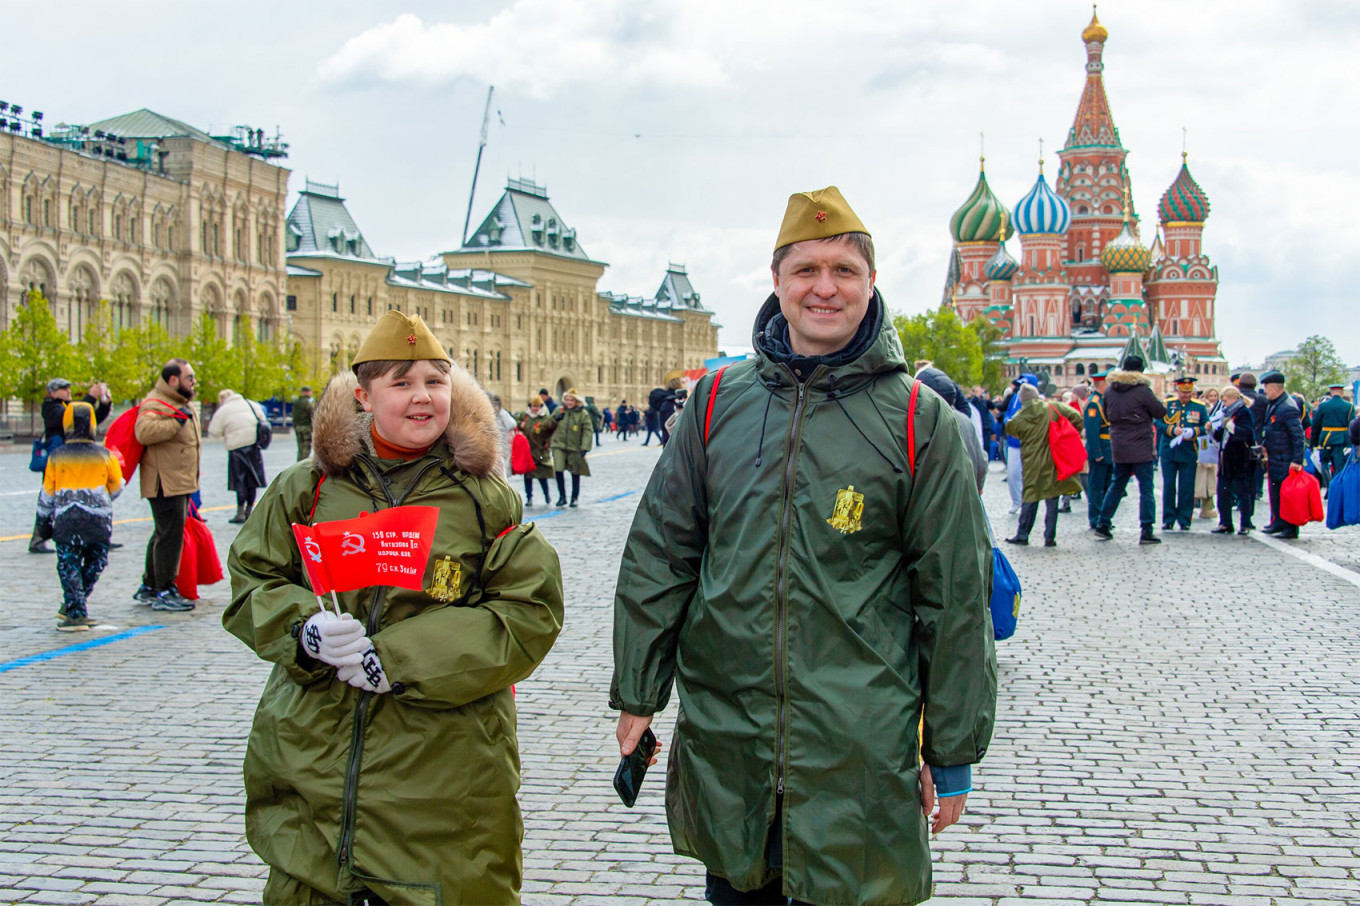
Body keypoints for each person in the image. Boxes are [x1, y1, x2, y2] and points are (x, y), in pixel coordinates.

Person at [611, 186, 996, 906]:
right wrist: (639, 687)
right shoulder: (717, 404)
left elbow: (956, 601)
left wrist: (951, 753)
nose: (826, 288)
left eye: (845, 270)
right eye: (807, 270)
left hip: (858, 747)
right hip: (731, 738)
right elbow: (662, 550)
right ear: (778, 281)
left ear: (871, 283)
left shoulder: (920, 421)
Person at [223, 310, 564, 905]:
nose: (422, 397)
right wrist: (303, 629)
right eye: (401, 383)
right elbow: (254, 577)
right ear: (363, 395)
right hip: (313, 770)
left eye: (435, 381)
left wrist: (399, 659)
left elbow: (527, 612)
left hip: (441, 785)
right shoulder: (308, 489)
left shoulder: (485, 500)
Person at [38, 401, 124, 631]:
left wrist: (43, 523)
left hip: (66, 522)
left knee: (69, 565)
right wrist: (99, 499)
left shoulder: (57, 456)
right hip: (98, 522)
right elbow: (117, 487)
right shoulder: (105, 455)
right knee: (96, 562)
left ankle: (74, 610)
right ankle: (76, 607)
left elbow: (47, 495)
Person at [132, 359, 201, 612]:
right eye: (189, 377)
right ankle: (165, 589)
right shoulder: (156, 402)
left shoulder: (177, 402)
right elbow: (144, 431)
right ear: (173, 380)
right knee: (170, 536)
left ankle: (150, 585)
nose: (193, 382)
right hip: (165, 483)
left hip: (177, 481)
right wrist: (176, 422)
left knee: (164, 532)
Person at [30, 378, 112, 554]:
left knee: (85, 495)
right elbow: (74, 414)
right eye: (62, 388)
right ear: (52, 393)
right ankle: (37, 539)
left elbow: (92, 418)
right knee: (51, 497)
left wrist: (104, 405)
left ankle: (96, 535)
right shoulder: (51, 408)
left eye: (68, 387)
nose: (68, 391)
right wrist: (90, 397)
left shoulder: (68, 406)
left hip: (75, 459)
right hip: (58, 461)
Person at [1094, 355, 1167, 544]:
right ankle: (1147, 529)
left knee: (1117, 484)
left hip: (1118, 443)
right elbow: (1159, 411)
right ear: (1140, 371)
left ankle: (1103, 522)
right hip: (1141, 443)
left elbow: (1106, 413)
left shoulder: (1110, 390)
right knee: (1146, 488)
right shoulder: (1142, 390)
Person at [1005, 384, 1083, 546]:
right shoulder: (1053, 408)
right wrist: (1068, 431)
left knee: (1030, 497)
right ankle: (1049, 537)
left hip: (1031, 462)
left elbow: (1010, 429)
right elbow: (1076, 416)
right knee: (1052, 497)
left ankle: (1022, 534)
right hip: (1053, 458)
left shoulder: (1019, 417)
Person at [207, 389, 269, 525]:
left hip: (236, 448)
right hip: (254, 446)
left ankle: (240, 512)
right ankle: (249, 510)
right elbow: (263, 419)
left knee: (239, 480)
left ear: (222, 399)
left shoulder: (224, 410)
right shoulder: (251, 404)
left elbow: (213, 431)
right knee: (252, 480)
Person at [1257, 370, 1306, 539]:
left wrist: (1297, 460)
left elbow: (1298, 436)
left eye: (1266, 388)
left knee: (1288, 496)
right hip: (1275, 456)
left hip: (1286, 458)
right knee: (1275, 492)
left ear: (1274, 387)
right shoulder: (1275, 404)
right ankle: (1277, 521)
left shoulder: (1288, 407)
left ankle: (1290, 528)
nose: (1265, 391)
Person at [1158, 377, 1209, 531]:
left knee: (1186, 487)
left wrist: (1194, 431)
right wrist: (1171, 430)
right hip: (1169, 450)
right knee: (1169, 486)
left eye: (1189, 392)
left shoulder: (1199, 407)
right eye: (1183, 392)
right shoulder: (1168, 405)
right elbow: (1158, 422)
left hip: (1188, 450)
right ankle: (1168, 518)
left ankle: (1185, 518)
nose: (1186, 395)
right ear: (1177, 391)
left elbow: (1205, 426)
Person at [1210, 385, 1256, 535]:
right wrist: (1210, 430)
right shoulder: (1226, 413)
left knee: (1243, 491)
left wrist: (1231, 426)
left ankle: (1245, 523)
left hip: (1240, 457)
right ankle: (1225, 522)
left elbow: (1247, 434)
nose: (1224, 404)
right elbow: (1218, 437)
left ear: (1235, 398)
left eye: (1226, 400)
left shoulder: (1244, 413)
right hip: (1226, 458)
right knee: (1223, 491)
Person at [550, 388, 593, 506]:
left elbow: (587, 431)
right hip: (558, 445)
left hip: (574, 447)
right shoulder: (559, 411)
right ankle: (562, 497)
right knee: (558, 470)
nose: (569, 402)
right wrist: (555, 419)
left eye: (571, 400)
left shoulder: (582, 414)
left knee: (575, 472)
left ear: (576, 402)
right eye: (567, 400)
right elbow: (548, 425)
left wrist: (584, 447)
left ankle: (574, 498)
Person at [1083, 371, 1113, 529]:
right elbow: (1092, 430)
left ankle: (1104, 518)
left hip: (1110, 450)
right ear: (1102, 385)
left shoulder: (1103, 400)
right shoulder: (1094, 403)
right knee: (1096, 487)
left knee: (1107, 486)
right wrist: (1097, 453)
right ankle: (1095, 518)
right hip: (1100, 449)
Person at [518, 395, 557, 505]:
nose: (535, 408)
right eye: (533, 406)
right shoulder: (525, 416)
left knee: (542, 476)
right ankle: (529, 497)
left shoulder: (544, 417)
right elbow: (516, 423)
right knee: (528, 477)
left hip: (540, 451)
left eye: (537, 406)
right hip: (528, 451)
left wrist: (548, 442)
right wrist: (520, 424)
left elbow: (551, 430)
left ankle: (546, 495)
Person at [1311, 383, 1354, 479]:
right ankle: (1336, 486)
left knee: (1324, 463)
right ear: (1342, 392)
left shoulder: (1323, 406)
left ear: (1331, 392)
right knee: (1339, 466)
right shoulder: (1349, 406)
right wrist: (1349, 444)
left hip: (1326, 439)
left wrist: (1313, 444)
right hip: (1341, 440)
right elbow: (1351, 426)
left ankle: (1329, 484)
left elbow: (1316, 426)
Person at [1196, 387, 1221, 520]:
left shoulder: (1218, 412)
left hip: (1209, 451)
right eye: (1210, 395)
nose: (1212, 398)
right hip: (1198, 450)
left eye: (1215, 395)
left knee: (1209, 481)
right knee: (1197, 481)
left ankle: (1207, 507)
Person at [490, 394, 517, 477]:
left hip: (503, 446)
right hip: (492, 446)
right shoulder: (489, 414)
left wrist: (502, 415)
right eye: (493, 405)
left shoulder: (503, 414)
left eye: (496, 405)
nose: (495, 407)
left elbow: (512, 424)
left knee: (503, 469)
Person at [291, 386, 314, 461]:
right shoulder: (308, 402)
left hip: (298, 427)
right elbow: (312, 414)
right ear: (308, 392)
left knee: (300, 447)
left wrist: (295, 426)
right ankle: (303, 463)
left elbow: (294, 415)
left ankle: (299, 463)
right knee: (306, 447)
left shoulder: (296, 402)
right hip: (306, 427)